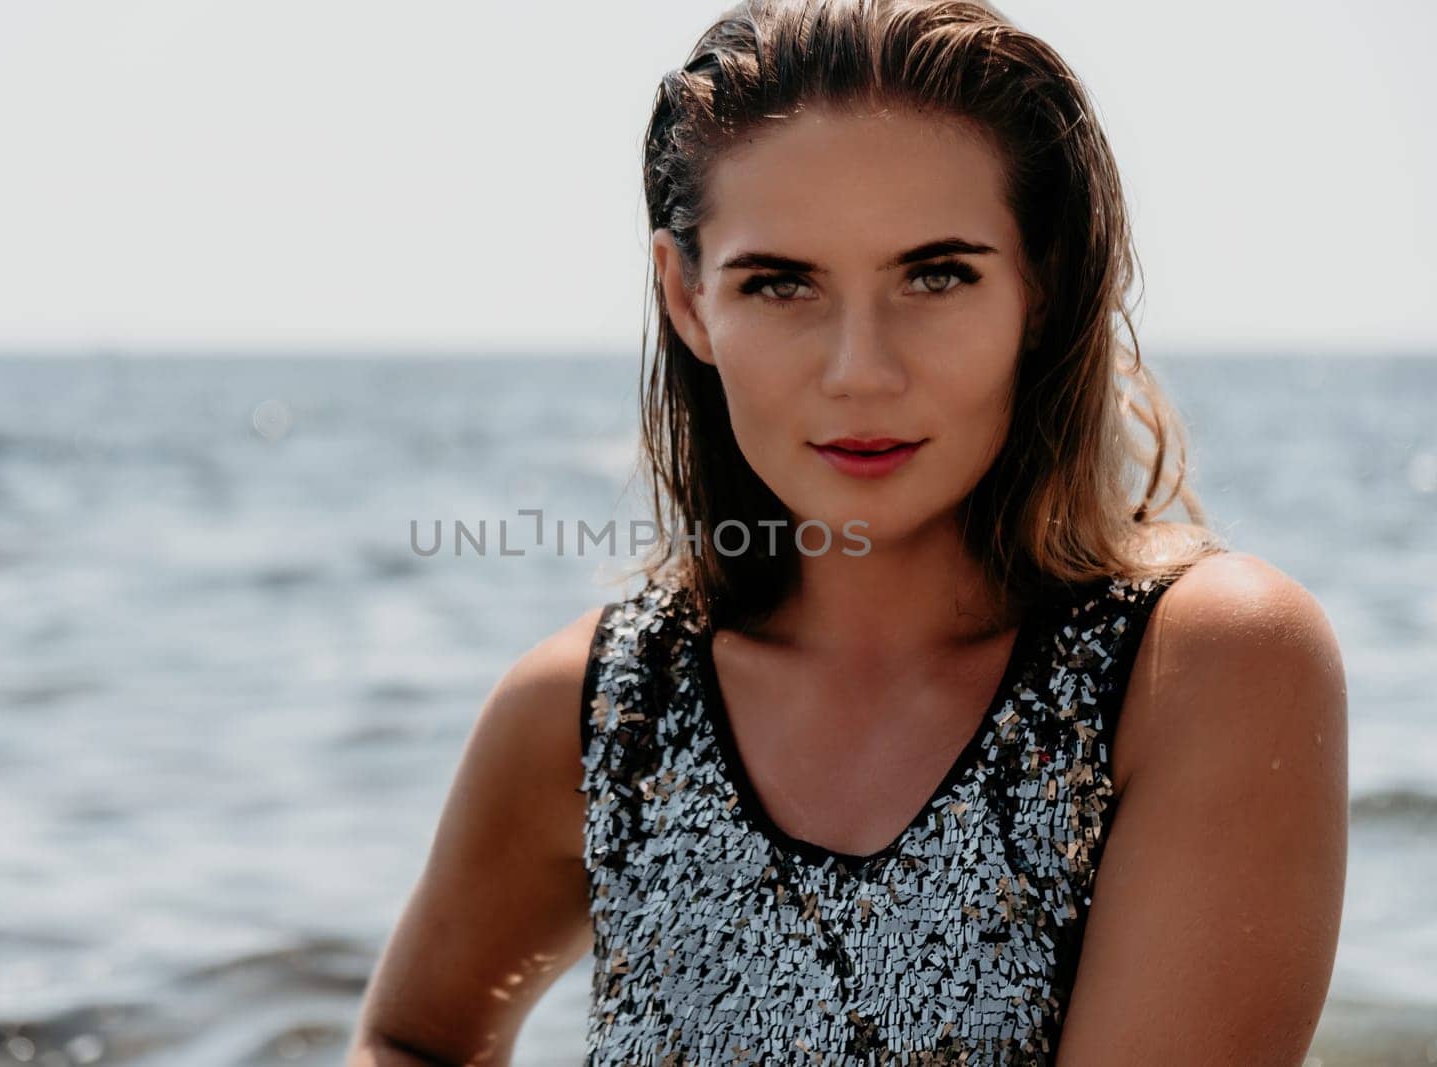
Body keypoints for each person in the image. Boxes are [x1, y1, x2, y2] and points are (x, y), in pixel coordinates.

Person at [347, 0, 1348, 1062]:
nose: (859, 370)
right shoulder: (592, 713)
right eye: (779, 283)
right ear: (687, 298)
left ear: (1042, 285)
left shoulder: (1201, 669)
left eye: (935, 274)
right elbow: (414, 1036)